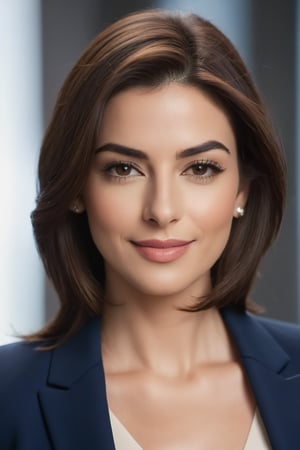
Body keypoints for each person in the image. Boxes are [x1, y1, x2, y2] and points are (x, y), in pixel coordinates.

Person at [0, 8, 299, 450]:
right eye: (124, 168)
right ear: (78, 187)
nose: (162, 210)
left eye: (200, 168)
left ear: (243, 191)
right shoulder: (8, 396)